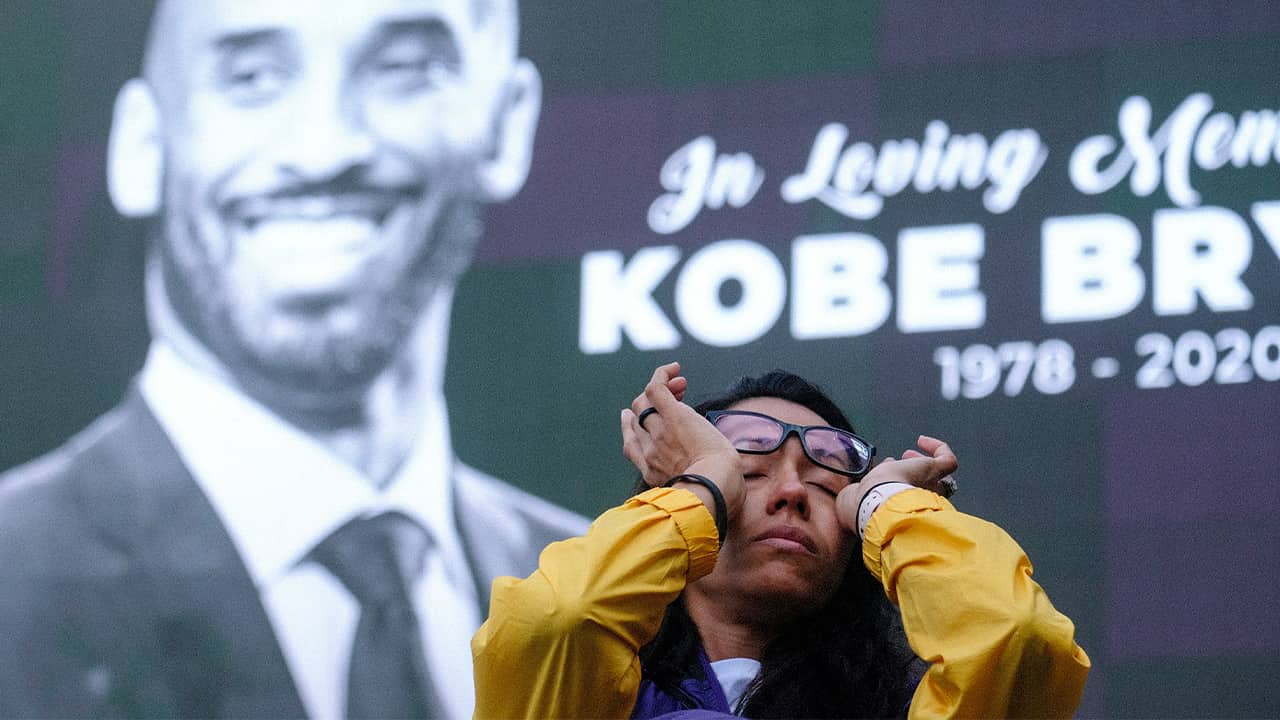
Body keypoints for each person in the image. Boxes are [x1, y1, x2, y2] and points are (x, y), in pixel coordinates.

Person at [0, 1, 586, 718]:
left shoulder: (620, 609)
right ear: (142, 145)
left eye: (403, 70)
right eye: (250, 77)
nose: (323, 146)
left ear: (506, 124)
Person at [472, 362, 1091, 718]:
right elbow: (555, 620)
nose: (793, 490)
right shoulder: (591, 698)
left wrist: (887, 503)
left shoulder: (907, 712)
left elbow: (1016, 639)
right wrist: (702, 483)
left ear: (857, 540)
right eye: (751, 472)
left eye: (829, 484)